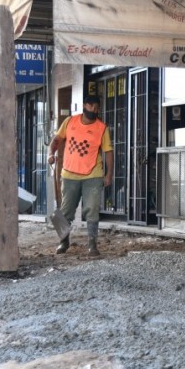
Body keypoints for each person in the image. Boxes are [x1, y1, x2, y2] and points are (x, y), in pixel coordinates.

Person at [47, 94, 114, 256]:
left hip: (93, 174)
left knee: (92, 208)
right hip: (69, 174)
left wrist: (108, 175)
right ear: (84, 106)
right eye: (91, 106)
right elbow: (57, 139)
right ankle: (63, 241)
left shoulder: (101, 128)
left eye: (97, 108)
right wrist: (51, 153)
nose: (94, 110)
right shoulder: (70, 122)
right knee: (65, 211)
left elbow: (108, 152)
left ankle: (92, 244)